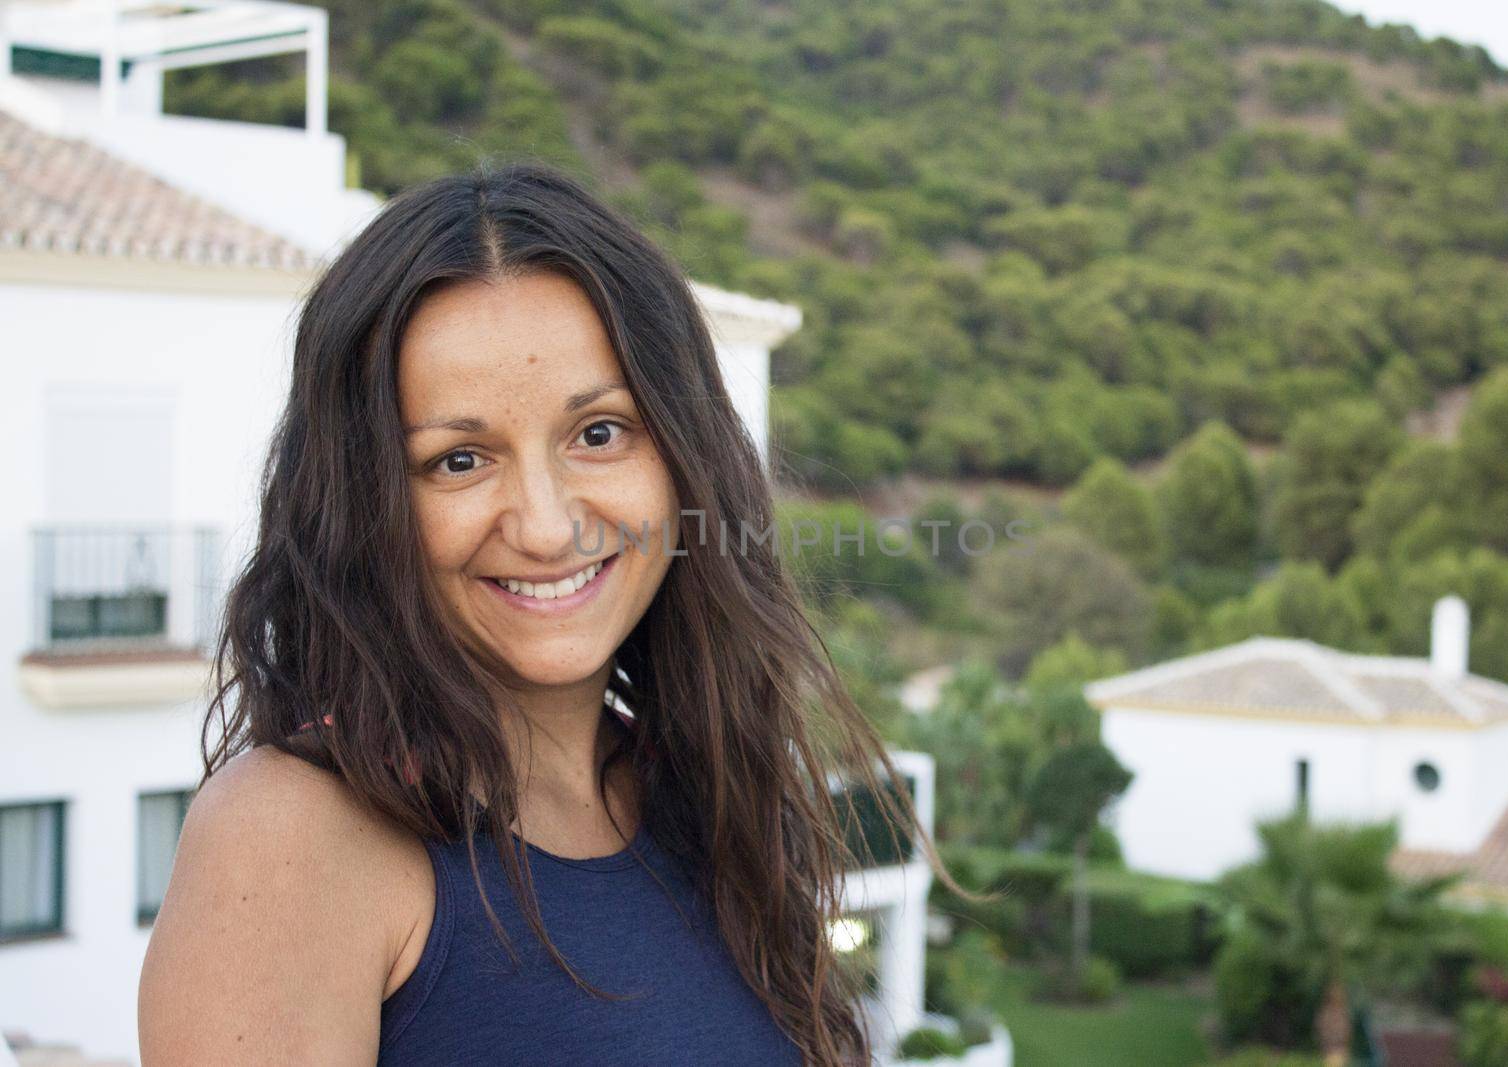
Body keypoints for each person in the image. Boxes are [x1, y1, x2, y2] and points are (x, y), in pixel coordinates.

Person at [136, 160, 971, 1065]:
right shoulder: (291, 837)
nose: (545, 524)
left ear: (684, 457)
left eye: (599, 433)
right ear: (363, 506)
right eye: (459, 459)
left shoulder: (708, 800)